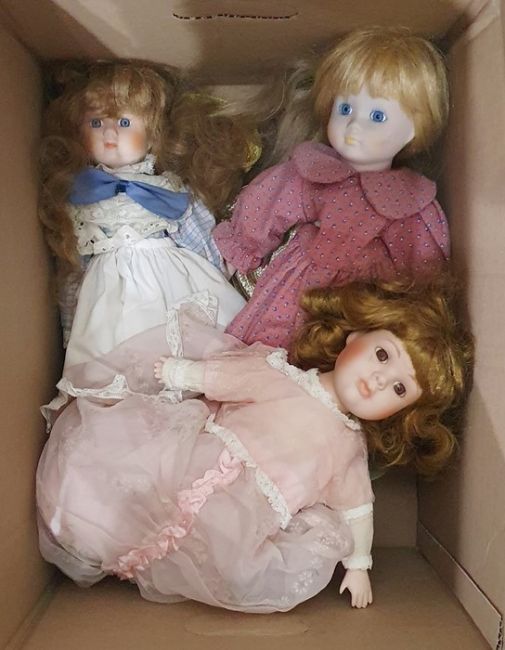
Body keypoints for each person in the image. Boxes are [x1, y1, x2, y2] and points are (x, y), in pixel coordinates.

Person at [36, 278, 473, 612]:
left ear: (402, 413)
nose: (379, 380)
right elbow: (230, 379)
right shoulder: (280, 375)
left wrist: (359, 565)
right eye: (383, 355)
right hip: (198, 457)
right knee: (142, 481)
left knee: (231, 567)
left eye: (399, 389)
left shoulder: (349, 451)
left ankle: (127, 551)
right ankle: (89, 524)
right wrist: (181, 373)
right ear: (355, 336)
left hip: (246, 519)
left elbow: (358, 509)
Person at [213, 26, 451, 350]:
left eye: (377, 115)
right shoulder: (314, 171)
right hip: (297, 280)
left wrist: (415, 321)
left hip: (362, 300)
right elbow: (267, 203)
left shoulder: (409, 201)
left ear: (414, 129)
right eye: (345, 109)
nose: (354, 126)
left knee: (341, 357)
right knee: (265, 342)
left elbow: (422, 269)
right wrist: (244, 248)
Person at [39, 60, 255, 370]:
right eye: (96, 123)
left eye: (124, 122)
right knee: (117, 363)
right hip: (109, 293)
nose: (110, 133)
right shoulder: (79, 196)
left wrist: (218, 271)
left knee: (200, 346)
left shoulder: (168, 188)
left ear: (152, 134)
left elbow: (198, 234)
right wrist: (71, 325)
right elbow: (72, 266)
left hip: (172, 276)